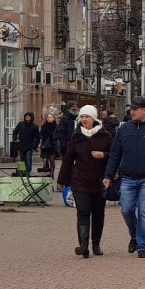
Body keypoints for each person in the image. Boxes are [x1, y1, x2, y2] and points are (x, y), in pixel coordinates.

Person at [103, 96, 145, 259]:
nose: (132, 112)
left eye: (135, 109)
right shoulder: (124, 129)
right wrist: (108, 175)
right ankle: (134, 236)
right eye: (131, 109)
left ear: (144, 110)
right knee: (126, 209)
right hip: (127, 177)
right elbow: (115, 154)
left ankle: (142, 246)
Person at [58, 105, 112, 258]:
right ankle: (83, 245)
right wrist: (61, 180)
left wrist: (103, 155)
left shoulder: (105, 136)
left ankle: (96, 243)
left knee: (97, 213)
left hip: (100, 181)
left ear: (94, 118)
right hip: (80, 181)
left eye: (87, 117)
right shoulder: (76, 137)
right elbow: (68, 159)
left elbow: (114, 155)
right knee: (82, 211)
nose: (84, 119)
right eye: (81, 117)